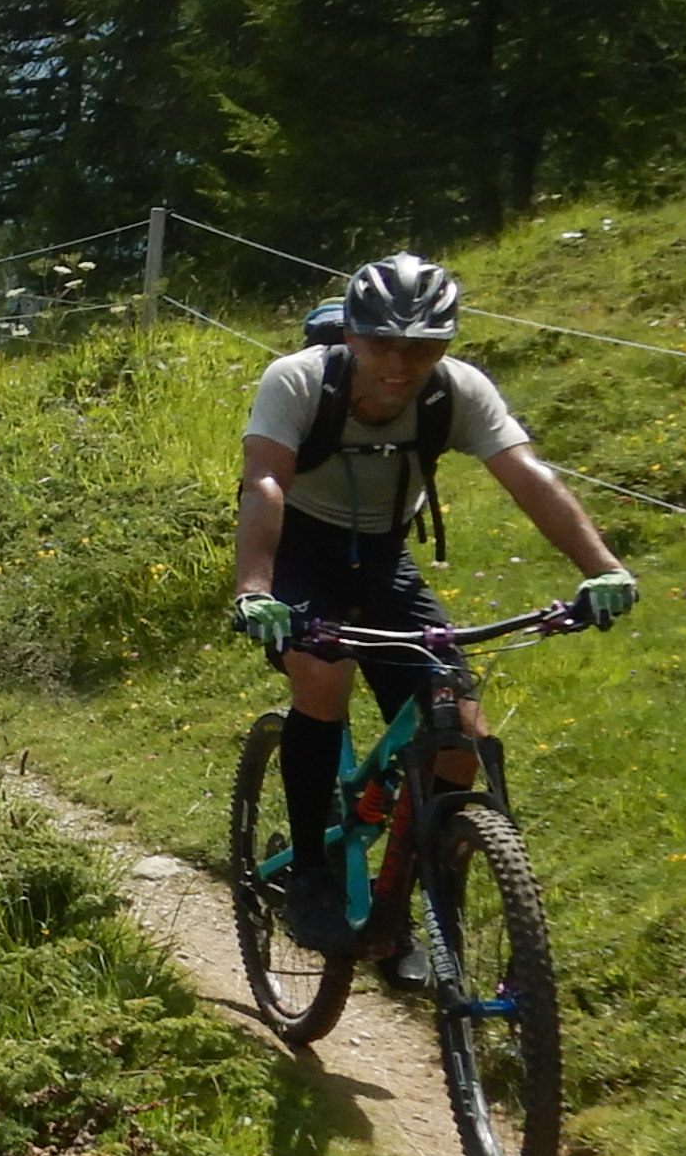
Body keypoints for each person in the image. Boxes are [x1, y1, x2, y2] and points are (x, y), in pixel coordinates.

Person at [226, 252, 637, 953]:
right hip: (298, 548)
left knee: (461, 740)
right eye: (383, 341)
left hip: (383, 557)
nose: (400, 362)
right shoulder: (296, 381)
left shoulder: (457, 391)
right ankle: (313, 873)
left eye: (423, 345)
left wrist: (603, 569)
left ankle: (409, 906)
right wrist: (254, 590)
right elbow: (265, 481)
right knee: (323, 680)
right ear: (351, 336)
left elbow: (528, 475)